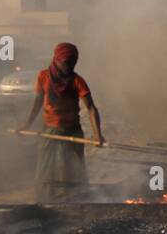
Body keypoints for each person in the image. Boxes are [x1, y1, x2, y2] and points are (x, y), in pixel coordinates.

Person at [22, 42, 105, 203]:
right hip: (49, 130)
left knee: (73, 168)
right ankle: (45, 200)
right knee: (47, 167)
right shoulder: (43, 76)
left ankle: (76, 201)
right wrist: (27, 124)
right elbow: (38, 102)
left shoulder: (77, 81)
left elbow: (91, 108)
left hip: (72, 129)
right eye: (65, 62)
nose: (68, 66)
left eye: (72, 63)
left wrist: (97, 135)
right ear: (56, 60)